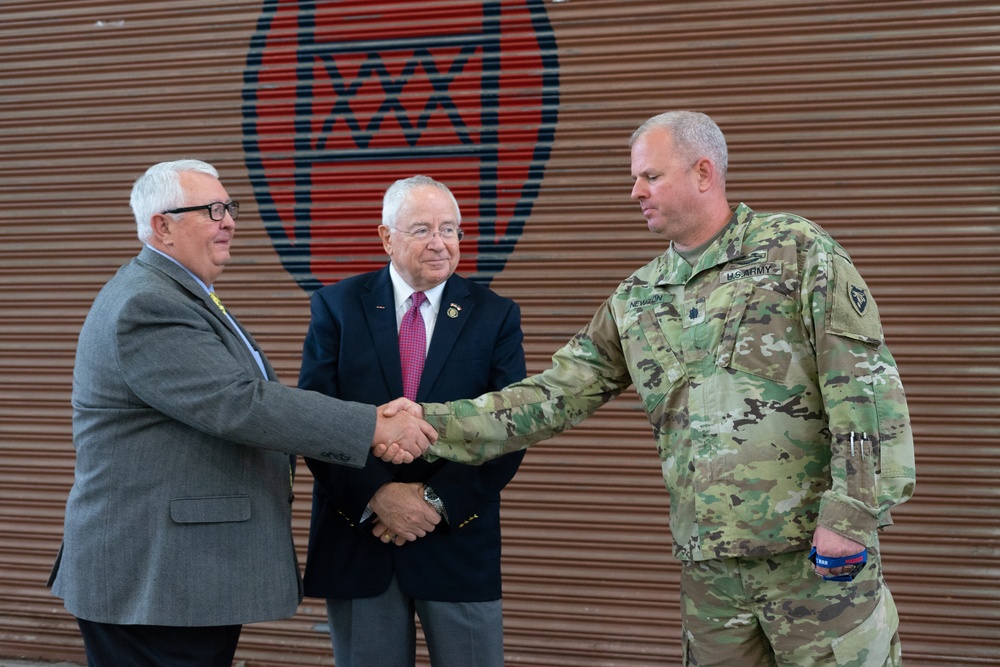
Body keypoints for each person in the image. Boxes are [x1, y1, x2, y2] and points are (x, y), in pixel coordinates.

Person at [411, 112, 916, 666]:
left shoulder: (795, 250)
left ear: (703, 173)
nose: (636, 192)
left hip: (814, 561)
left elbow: (863, 387)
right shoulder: (638, 298)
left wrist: (849, 515)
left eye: (650, 176)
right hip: (712, 574)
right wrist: (422, 424)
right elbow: (552, 396)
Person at [47, 159, 435, 667]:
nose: (229, 220)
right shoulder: (148, 304)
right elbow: (239, 403)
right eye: (211, 210)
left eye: (229, 207)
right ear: (162, 226)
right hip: (154, 578)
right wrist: (373, 425)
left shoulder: (180, 293)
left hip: (178, 579)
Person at [298, 175, 527, 666]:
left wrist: (433, 501)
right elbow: (315, 419)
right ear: (386, 237)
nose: (440, 243)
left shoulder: (496, 316)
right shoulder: (337, 308)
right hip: (360, 539)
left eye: (451, 229)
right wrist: (377, 495)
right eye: (422, 229)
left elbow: (512, 428)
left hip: (456, 541)